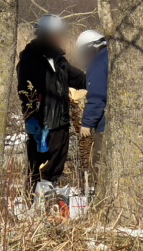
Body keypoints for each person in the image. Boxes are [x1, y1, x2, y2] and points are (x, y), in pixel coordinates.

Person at [17, 14, 86, 190]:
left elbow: (78, 78)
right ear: (44, 34)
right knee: (39, 170)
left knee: (56, 168)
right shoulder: (30, 59)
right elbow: (25, 91)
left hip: (61, 122)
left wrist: (100, 83)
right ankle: (34, 205)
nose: (58, 38)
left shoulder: (59, 59)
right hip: (42, 124)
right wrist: (31, 118)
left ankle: (50, 205)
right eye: (55, 34)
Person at [75, 29, 108, 179]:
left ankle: (99, 197)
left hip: (105, 125)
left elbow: (97, 96)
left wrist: (87, 123)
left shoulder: (98, 64)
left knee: (100, 166)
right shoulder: (110, 57)